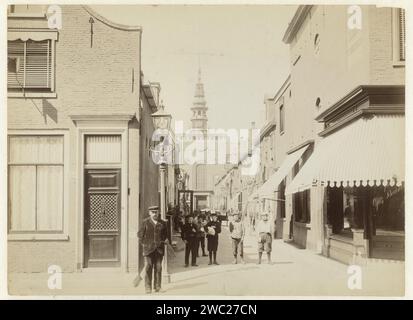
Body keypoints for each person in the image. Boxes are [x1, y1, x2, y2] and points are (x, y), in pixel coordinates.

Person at [137, 206, 168, 294]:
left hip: (159, 249)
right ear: (149, 213)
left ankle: (158, 287)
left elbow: (166, 235)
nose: (155, 214)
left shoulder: (163, 223)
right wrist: (144, 244)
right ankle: (148, 287)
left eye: (156, 212)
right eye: (153, 212)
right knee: (148, 267)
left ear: (158, 212)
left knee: (158, 268)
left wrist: (164, 241)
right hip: (148, 249)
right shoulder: (145, 222)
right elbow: (139, 235)